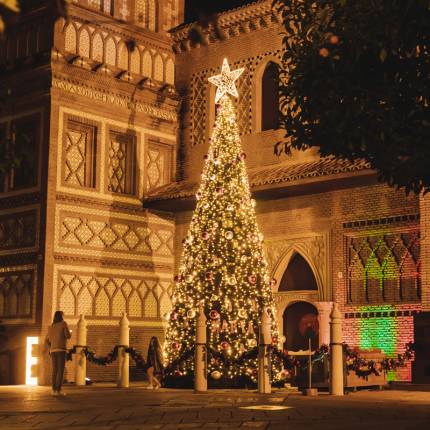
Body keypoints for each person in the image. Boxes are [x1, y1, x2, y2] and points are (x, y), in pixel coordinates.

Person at [45, 311, 71, 396]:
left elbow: (47, 340)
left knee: (54, 370)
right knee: (60, 370)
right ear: (61, 316)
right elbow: (68, 336)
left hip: (53, 351)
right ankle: (58, 390)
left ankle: (53, 390)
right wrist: (70, 332)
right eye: (63, 315)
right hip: (61, 350)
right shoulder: (63, 324)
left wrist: (51, 347)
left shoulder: (51, 327)